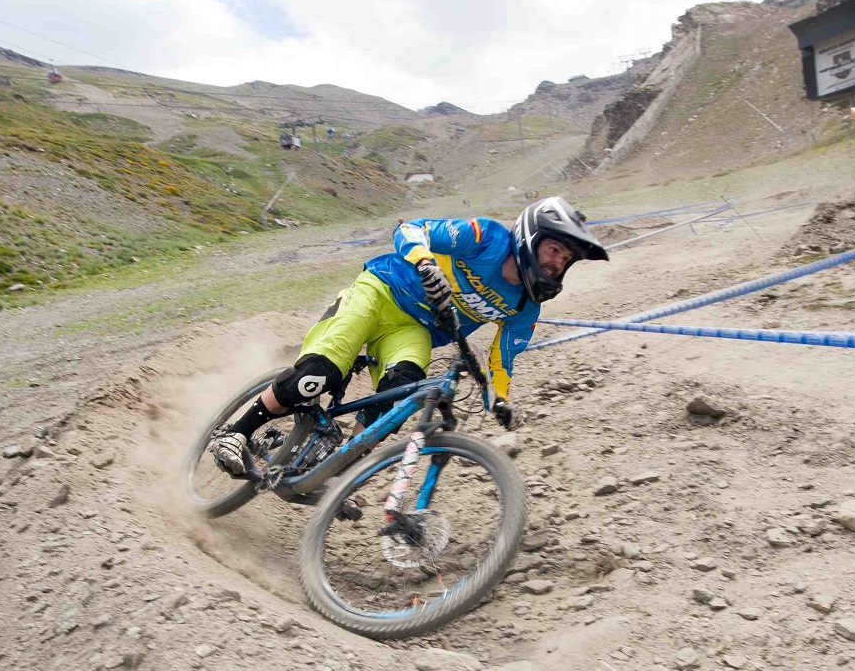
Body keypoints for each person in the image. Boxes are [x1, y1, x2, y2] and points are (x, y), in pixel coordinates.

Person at [209, 196, 609, 474]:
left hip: (414, 330)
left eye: (565, 259)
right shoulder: (485, 237)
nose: (557, 263)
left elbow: (503, 359)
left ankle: (335, 473)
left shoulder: (526, 306)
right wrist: (424, 263)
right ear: (531, 238)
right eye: (554, 250)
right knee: (319, 376)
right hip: (379, 292)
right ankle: (236, 434)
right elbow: (411, 230)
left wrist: (499, 399)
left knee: (398, 399)